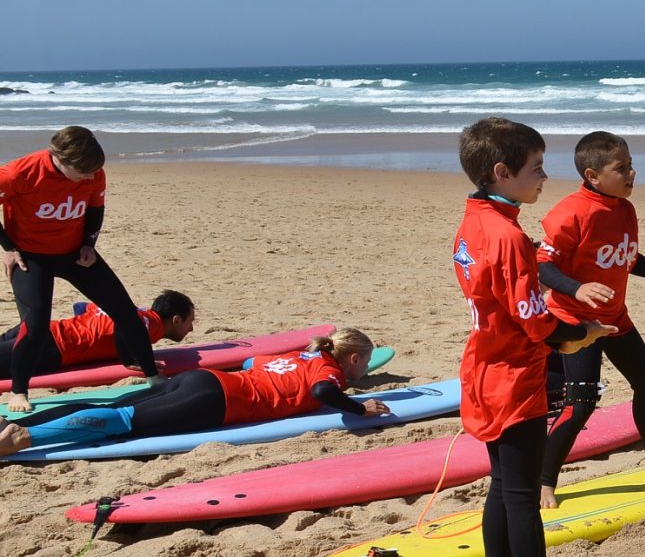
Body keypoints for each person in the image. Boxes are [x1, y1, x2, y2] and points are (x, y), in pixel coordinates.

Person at [452, 118, 614, 557]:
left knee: (502, 483)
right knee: (521, 494)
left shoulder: (472, 220)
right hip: (512, 376)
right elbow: (532, 319)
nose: (545, 177)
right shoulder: (508, 237)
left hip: (483, 364)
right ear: (502, 172)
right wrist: (579, 335)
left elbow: (506, 300)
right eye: (537, 168)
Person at [535, 131, 645, 509]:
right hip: (575, 322)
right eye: (621, 168)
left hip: (614, 320)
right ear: (593, 175)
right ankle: (544, 481)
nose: (632, 173)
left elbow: (627, 258)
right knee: (580, 404)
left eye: (631, 165)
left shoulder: (624, 209)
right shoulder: (571, 211)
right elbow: (544, 265)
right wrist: (576, 289)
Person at [0, 330, 389, 456]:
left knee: (116, 403)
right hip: (215, 403)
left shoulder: (301, 354)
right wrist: (359, 407)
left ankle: (13, 423)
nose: (363, 371)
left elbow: (253, 365)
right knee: (123, 422)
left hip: (205, 380)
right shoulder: (329, 370)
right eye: (364, 364)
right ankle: (20, 438)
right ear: (352, 358)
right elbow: (323, 390)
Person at [0, 127, 163, 411]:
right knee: (36, 327)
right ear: (59, 159)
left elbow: (95, 209)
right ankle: (18, 392)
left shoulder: (93, 171)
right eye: (83, 172)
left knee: (126, 311)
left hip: (76, 254)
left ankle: (153, 376)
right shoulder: (18, 174)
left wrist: (89, 244)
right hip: (31, 258)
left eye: (93, 172)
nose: (90, 177)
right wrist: (8, 248)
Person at [0, 290, 196, 379]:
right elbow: (126, 325)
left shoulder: (133, 309)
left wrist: (90, 330)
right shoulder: (150, 325)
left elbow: (81, 306)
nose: (192, 329)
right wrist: (129, 359)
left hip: (40, 328)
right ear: (176, 320)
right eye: (190, 322)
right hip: (51, 347)